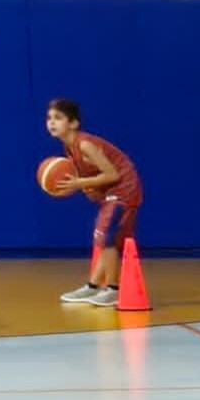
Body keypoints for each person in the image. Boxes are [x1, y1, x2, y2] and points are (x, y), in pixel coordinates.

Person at [41, 99, 145, 308]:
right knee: (102, 236)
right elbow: (93, 179)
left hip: (124, 187)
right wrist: (85, 187)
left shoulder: (85, 144)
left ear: (73, 123)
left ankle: (113, 290)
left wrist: (80, 183)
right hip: (110, 191)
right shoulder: (69, 149)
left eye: (58, 118)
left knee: (105, 234)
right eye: (49, 118)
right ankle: (93, 285)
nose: (51, 122)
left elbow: (112, 174)